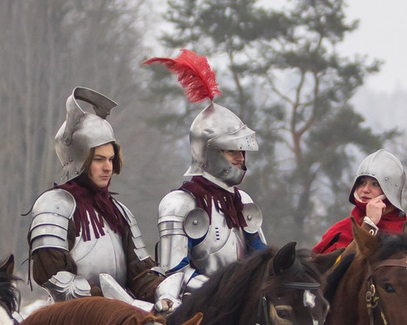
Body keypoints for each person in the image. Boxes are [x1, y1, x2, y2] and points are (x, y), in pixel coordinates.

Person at [145, 50, 264, 307]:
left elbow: (261, 259)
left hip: (240, 307)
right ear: (209, 152)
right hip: (196, 307)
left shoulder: (241, 200)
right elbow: (173, 272)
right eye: (232, 151)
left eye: (241, 152)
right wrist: (220, 291)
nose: (241, 159)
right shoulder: (181, 203)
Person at [29, 88, 155, 302]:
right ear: (79, 162)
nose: (108, 167)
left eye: (111, 159)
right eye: (99, 159)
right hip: (72, 322)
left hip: (122, 318)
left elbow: (140, 274)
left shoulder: (118, 212)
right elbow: (54, 277)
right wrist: (105, 299)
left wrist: (162, 293)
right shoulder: (55, 206)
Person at [310, 148, 407, 265]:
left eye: (375, 184)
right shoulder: (341, 230)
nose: (365, 190)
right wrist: (369, 225)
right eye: (362, 183)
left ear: (391, 189)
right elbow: (333, 278)